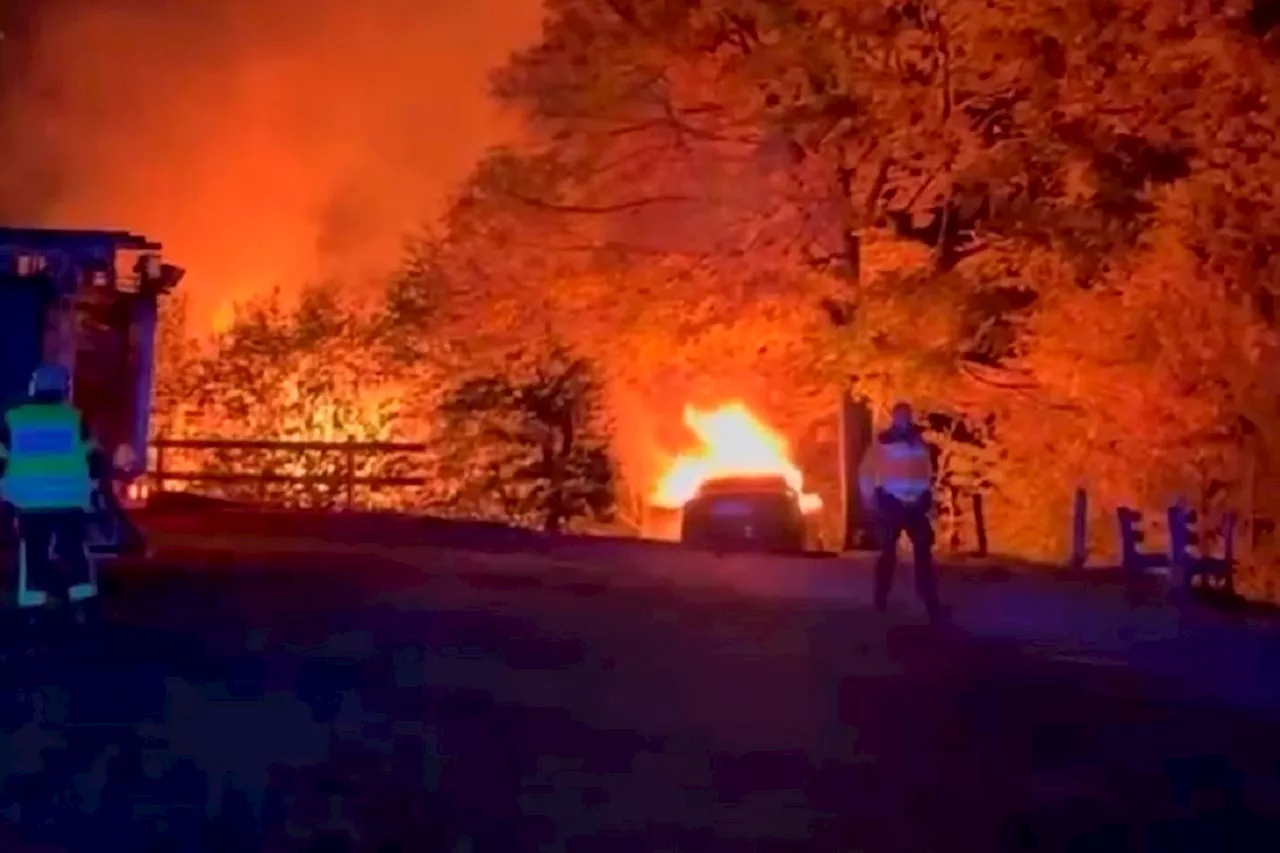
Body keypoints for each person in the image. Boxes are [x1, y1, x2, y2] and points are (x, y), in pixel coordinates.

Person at [0, 362, 106, 622]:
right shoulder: (76, 418)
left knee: (32, 549)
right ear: (64, 389)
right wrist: (94, 488)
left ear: (33, 387)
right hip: (70, 498)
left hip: (29, 499)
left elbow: (1, 458)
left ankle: (32, 606)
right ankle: (83, 603)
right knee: (73, 548)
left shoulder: (14, 418)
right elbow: (95, 459)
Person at [857, 401, 945, 622]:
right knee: (887, 553)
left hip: (915, 505)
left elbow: (927, 472)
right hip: (892, 502)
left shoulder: (919, 442)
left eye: (907, 414)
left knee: (924, 551)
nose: (904, 419)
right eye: (901, 415)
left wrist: (927, 497)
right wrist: (870, 498)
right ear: (894, 417)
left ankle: (928, 600)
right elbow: (866, 471)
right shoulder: (883, 442)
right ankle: (881, 599)